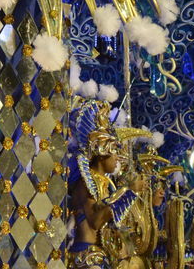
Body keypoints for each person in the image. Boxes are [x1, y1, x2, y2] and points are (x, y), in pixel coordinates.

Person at [68, 97, 153, 269]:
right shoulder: (86, 183)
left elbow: (112, 222)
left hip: (101, 255)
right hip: (87, 258)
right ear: (101, 152)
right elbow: (96, 221)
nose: (118, 159)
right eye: (114, 152)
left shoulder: (106, 183)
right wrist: (128, 192)